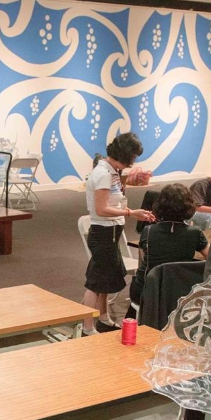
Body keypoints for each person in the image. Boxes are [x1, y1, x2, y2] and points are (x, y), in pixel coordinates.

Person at [82, 132, 156, 332]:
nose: (134, 161)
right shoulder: (103, 174)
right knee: (95, 283)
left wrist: (131, 211)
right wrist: (131, 213)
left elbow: (114, 202)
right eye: (134, 156)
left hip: (110, 233)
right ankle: (87, 327)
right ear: (127, 155)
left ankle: (103, 318)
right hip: (103, 234)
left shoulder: (111, 171)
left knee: (104, 280)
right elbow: (101, 209)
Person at [127, 183, 209, 315]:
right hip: (178, 295)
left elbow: (143, 260)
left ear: (159, 205)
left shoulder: (148, 231)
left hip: (146, 293)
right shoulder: (195, 233)